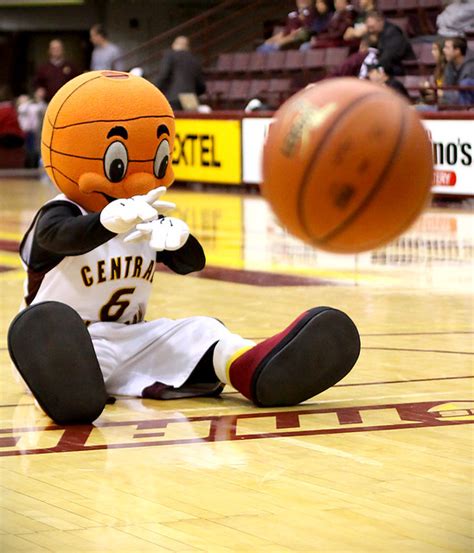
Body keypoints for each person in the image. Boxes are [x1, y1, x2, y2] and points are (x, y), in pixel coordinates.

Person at [7, 70, 360, 425]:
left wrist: (178, 240)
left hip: (132, 338)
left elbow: (193, 263)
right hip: (65, 345)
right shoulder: (60, 213)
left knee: (202, 330)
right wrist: (106, 221)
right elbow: (57, 237)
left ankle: (253, 368)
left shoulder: (144, 213)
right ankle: (61, 392)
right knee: (57, 347)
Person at [154, 36, 206, 111]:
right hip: (190, 97)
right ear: (187, 47)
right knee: (190, 121)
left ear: (174, 45)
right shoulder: (194, 59)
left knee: (174, 121)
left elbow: (163, 76)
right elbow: (201, 85)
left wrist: (154, 89)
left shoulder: (170, 56)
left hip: (173, 97)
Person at [365, 11, 415, 75]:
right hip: (385, 64)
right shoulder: (376, 34)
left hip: (400, 67)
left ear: (380, 21)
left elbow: (388, 56)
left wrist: (374, 68)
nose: (370, 31)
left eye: (372, 27)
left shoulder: (393, 33)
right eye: (368, 28)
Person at [442, 36, 474, 105]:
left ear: (457, 51)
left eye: (447, 47)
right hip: (452, 103)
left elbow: (466, 95)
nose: (443, 50)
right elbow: (446, 87)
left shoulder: (472, 67)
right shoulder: (449, 65)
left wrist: (442, 94)